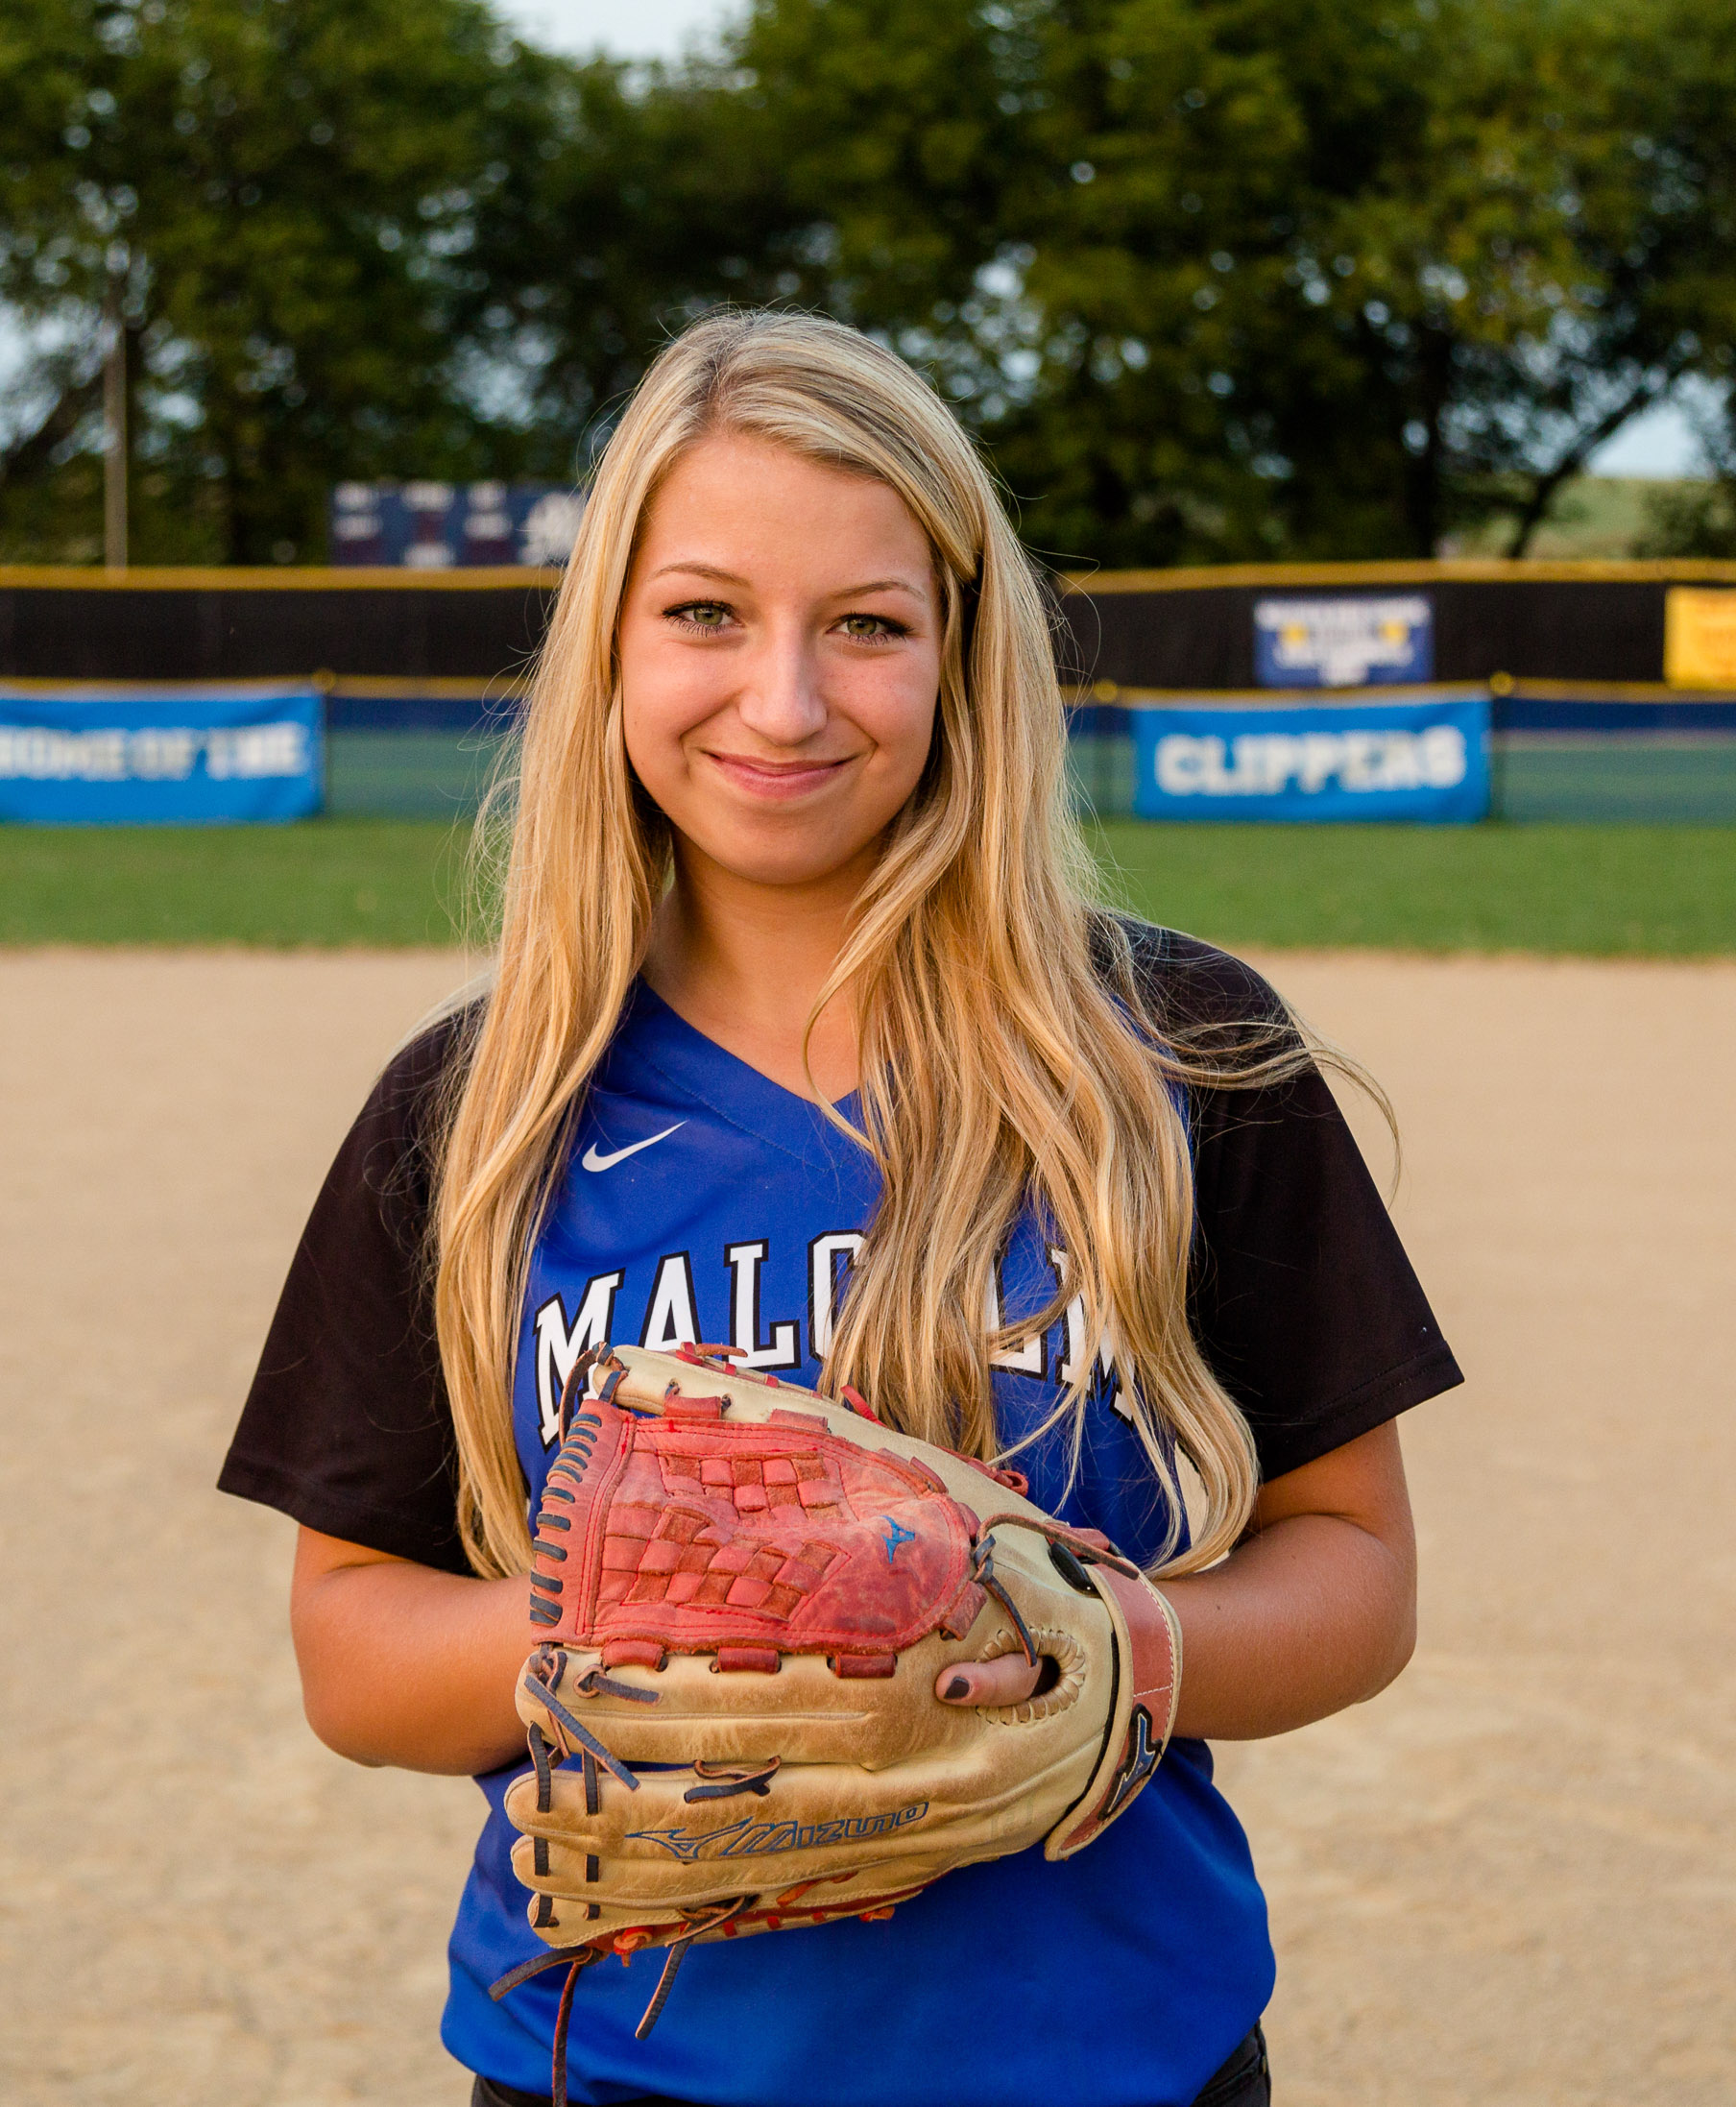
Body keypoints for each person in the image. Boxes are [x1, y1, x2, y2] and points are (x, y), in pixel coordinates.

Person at [220, 310, 1462, 2107]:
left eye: (868, 624)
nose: (784, 700)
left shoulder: (1179, 1055)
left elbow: (1357, 1573)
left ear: (962, 658)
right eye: (706, 613)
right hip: (620, 2069)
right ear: (609, 649)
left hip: (1109, 2055)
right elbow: (353, 1650)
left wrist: (1117, 1648)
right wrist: (680, 1637)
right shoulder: (469, 1113)